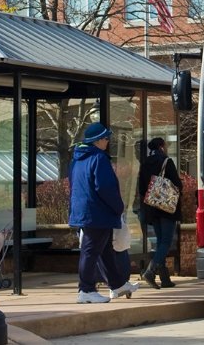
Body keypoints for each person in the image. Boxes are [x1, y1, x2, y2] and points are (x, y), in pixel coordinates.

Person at [69, 122, 137, 303]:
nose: (108, 141)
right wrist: (118, 207)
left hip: (84, 210)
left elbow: (75, 185)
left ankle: (117, 284)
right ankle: (86, 290)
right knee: (90, 251)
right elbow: (105, 187)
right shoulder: (99, 158)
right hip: (98, 213)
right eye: (106, 138)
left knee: (104, 250)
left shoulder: (77, 159)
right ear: (98, 140)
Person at [135, 137, 181, 289]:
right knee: (166, 242)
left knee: (161, 241)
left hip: (152, 209)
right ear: (162, 146)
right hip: (166, 209)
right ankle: (151, 270)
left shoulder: (145, 163)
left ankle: (165, 279)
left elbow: (142, 189)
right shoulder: (167, 161)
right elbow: (178, 184)